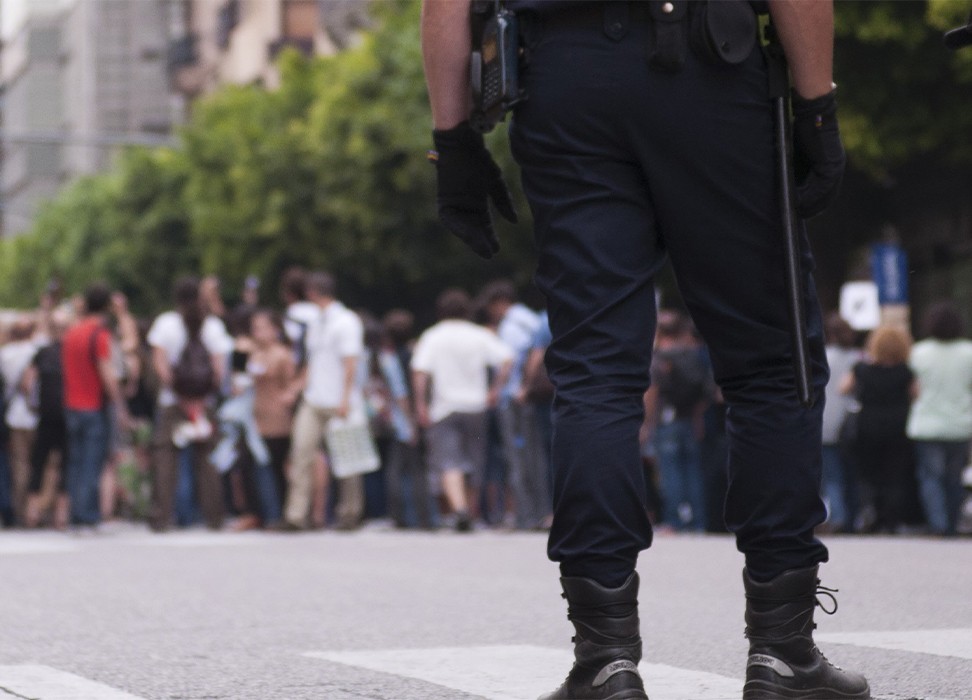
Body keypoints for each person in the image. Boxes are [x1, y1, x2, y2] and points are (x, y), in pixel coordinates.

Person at [422, 1, 868, 698]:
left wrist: (451, 139)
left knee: (595, 370)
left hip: (562, 75)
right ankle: (782, 649)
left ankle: (604, 657)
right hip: (709, 72)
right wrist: (816, 106)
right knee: (771, 363)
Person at [411, 288, 513, 531]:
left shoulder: (433, 336)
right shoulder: (478, 335)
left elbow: (420, 372)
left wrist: (420, 404)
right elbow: (507, 359)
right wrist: (495, 389)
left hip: (445, 407)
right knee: (474, 460)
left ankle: (459, 510)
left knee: (449, 461)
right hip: (476, 405)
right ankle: (471, 510)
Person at [147, 276, 232, 531]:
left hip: (172, 402)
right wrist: (201, 398)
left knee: (165, 459)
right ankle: (214, 516)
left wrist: (179, 394)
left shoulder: (165, 324)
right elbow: (219, 368)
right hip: (203, 403)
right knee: (207, 459)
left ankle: (162, 515)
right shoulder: (213, 325)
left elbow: (160, 364)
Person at [283, 271, 366, 531]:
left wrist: (345, 398)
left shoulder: (346, 321)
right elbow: (314, 361)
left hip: (340, 399)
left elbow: (350, 362)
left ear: (312, 293)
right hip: (315, 398)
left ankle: (350, 513)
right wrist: (297, 388)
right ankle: (296, 515)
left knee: (348, 458)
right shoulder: (317, 322)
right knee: (301, 454)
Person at [61, 283, 131, 529]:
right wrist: (120, 405)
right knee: (92, 462)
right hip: (92, 405)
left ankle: (74, 513)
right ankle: (86, 514)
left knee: (75, 462)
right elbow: (107, 374)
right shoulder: (99, 335)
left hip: (71, 404)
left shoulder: (71, 333)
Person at [480, 279, 548, 530]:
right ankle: (540, 511)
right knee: (536, 457)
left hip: (515, 399)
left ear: (499, 303)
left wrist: (498, 389)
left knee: (518, 458)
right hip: (536, 398)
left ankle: (527, 515)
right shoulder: (532, 319)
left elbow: (509, 360)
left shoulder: (511, 325)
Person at [840, 326, 917, 535]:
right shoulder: (906, 371)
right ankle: (891, 520)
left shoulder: (862, 369)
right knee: (894, 475)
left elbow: (843, 388)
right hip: (898, 426)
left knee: (868, 475)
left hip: (868, 426)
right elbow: (916, 394)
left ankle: (870, 516)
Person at [906, 301, 972, 537]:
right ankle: (953, 523)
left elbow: (912, 389)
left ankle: (938, 523)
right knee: (954, 479)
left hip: (927, 424)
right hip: (960, 424)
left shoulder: (918, 352)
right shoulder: (968, 352)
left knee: (930, 478)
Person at [643, 311, 712, 532]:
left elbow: (652, 392)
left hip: (666, 420)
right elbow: (706, 391)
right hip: (690, 419)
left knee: (670, 472)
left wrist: (647, 423)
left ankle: (674, 520)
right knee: (693, 472)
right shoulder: (694, 356)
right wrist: (698, 417)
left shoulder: (660, 358)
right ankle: (697, 520)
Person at [21, 309, 72, 529]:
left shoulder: (42, 352)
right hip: (68, 412)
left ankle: (32, 512)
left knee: (39, 462)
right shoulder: (70, 353)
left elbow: (27, 381)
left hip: (46, 414)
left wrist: (33, 403)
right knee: (66, 463)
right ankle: (61, 514)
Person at [820, 313, 862, 533]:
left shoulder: (822, 356)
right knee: (852, 474)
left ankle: (838, 516)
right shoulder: (859, 357)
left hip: (825, 421)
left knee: (832, 475)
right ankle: (853, 517)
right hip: (851, 424)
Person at [0, 317, 40, 525]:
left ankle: (20, 511)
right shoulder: (36, 350)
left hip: (15, 416)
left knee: (19, 467)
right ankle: (37, 511)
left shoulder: (5, 354)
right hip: (37, 415)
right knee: (41, 465)